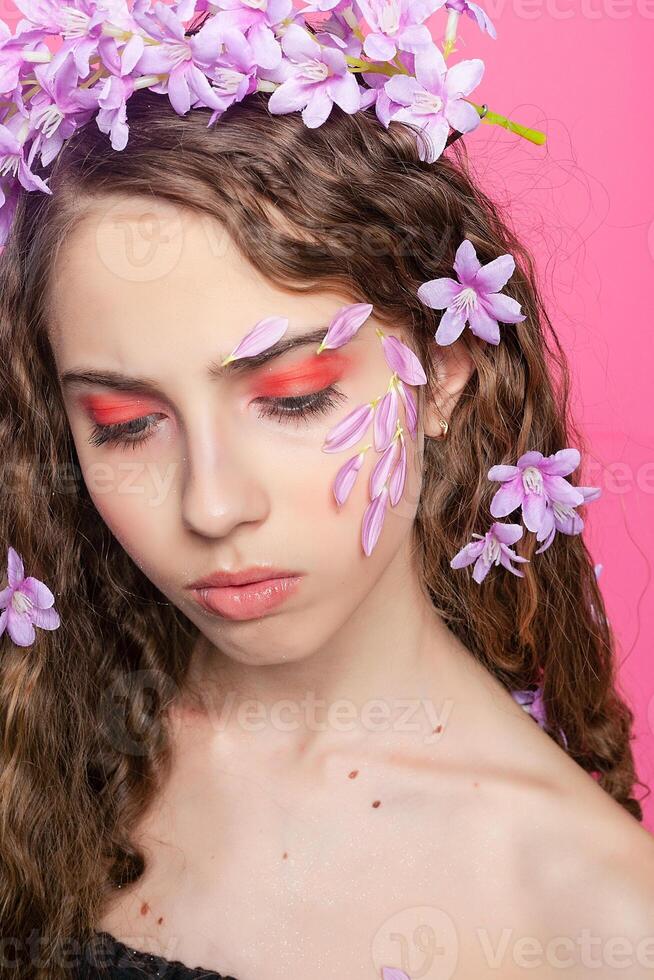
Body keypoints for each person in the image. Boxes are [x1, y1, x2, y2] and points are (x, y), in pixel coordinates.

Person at [1, 31, 654, 980]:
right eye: (126, 422)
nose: (213, 506)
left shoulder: (600, 920)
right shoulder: (33, 735)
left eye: (296, 397)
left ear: (442, 374)